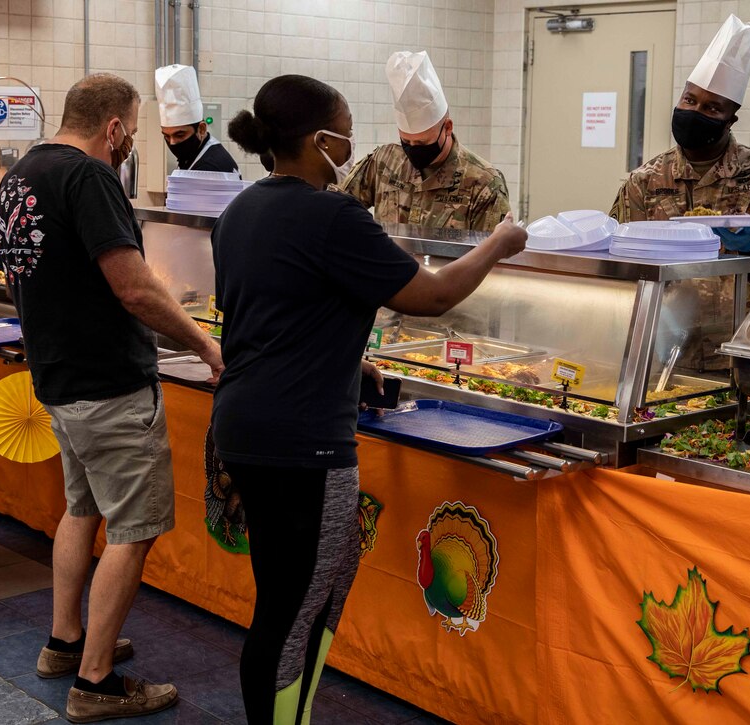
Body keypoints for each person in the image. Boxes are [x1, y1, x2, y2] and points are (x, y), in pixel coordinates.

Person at [212, 74, 526, 724]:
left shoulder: (243, 209)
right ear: (320, 139)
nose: (355, 141)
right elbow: (432, 296)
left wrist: (351, 369)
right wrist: (499, 243)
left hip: (243, 427)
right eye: (347, 127)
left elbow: (278, 319)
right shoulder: (333, 215)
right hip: (305, 447)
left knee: (301, 592)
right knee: (294, 612)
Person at [0, 73, 223, 723]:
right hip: (110, 385)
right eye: (132, 130)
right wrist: (205, 344)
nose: (130, 145)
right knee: (134, 529)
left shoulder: (20, 176)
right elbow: (134, 287)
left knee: (82, 507)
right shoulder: (90, 178)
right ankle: (95, 680)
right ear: (114, 128)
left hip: (59, 379)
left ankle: (66, 642)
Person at [610, 14, 750, 370]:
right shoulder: (644, 181)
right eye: (689, 100)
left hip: (745, 354)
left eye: (710, 107)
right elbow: (616, 255)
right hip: (668, 354)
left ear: (730, 119)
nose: (694, 111)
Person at [340, 50, 510, 232]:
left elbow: (493, 253)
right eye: (406, 141)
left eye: (421, 143)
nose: (412, 149)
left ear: (447, 128)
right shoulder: (384, 161)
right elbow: (337, 209)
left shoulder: (483, 183)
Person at [155, 64, 240, 174]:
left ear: (202, 129)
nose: (172, 143)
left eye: (180, 135)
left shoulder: (209, 168)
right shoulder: (193, 156)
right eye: (166, 136)